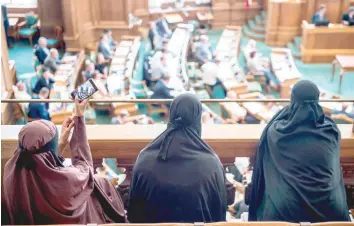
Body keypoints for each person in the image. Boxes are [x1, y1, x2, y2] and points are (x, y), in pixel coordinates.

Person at [2, 97, 126, 224]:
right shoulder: (66, 181)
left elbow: (39, 164)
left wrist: (60, 144)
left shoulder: (11, 170)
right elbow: (85, 169)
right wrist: (79, 117)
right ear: (50, 149)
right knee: (100, 182)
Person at [248, 80, 350, 222]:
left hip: (283, 213)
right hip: (331, 212)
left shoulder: (277, 132)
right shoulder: (331, 132)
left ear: (292, 99)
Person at [128, 93, 227, 223]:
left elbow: (133, 214)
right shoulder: (211, 163)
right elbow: (219, 215)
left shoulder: (144, 158)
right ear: (197, 119)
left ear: (172, 115)